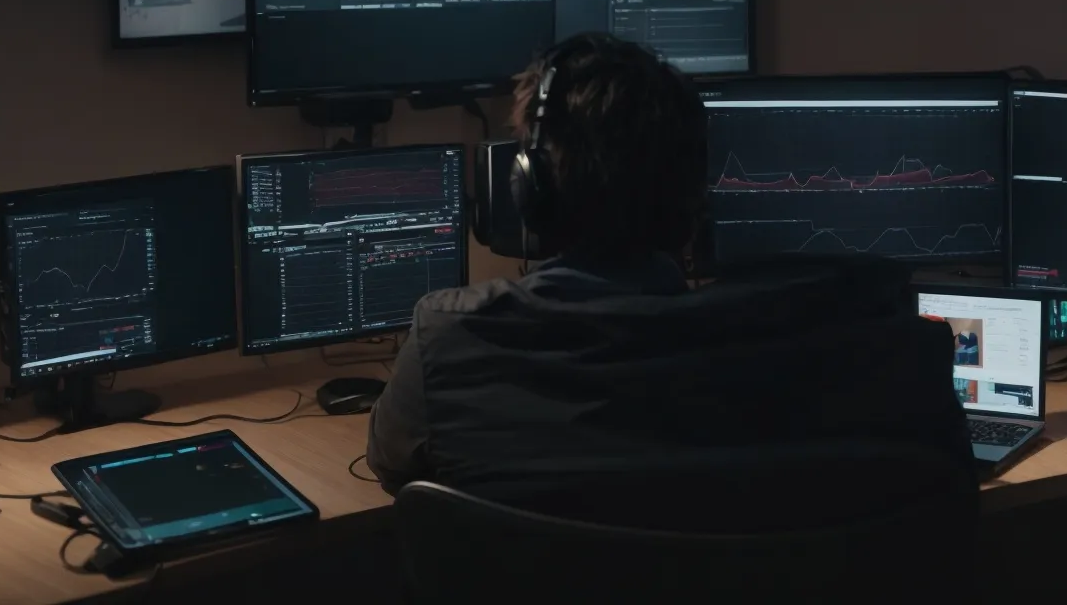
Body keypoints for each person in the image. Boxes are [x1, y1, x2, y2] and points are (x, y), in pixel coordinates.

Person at [365, 32, 974, 533]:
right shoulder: (877, 352)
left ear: (532, 194)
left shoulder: (450, 342)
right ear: (695, 201)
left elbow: (394, 466)